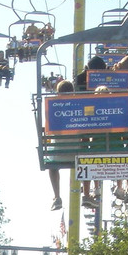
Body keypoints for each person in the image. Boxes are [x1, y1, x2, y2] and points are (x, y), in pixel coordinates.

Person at [46, 79, 96, 210]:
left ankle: (57, 197)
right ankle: (86, 194)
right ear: (73, 92)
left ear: (58, 93)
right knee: (86, 161)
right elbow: (86, 133)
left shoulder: (53, 108)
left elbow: (49, 130)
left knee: (52, 168)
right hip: (77, 153)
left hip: (58, 154)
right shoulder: (80, 107)